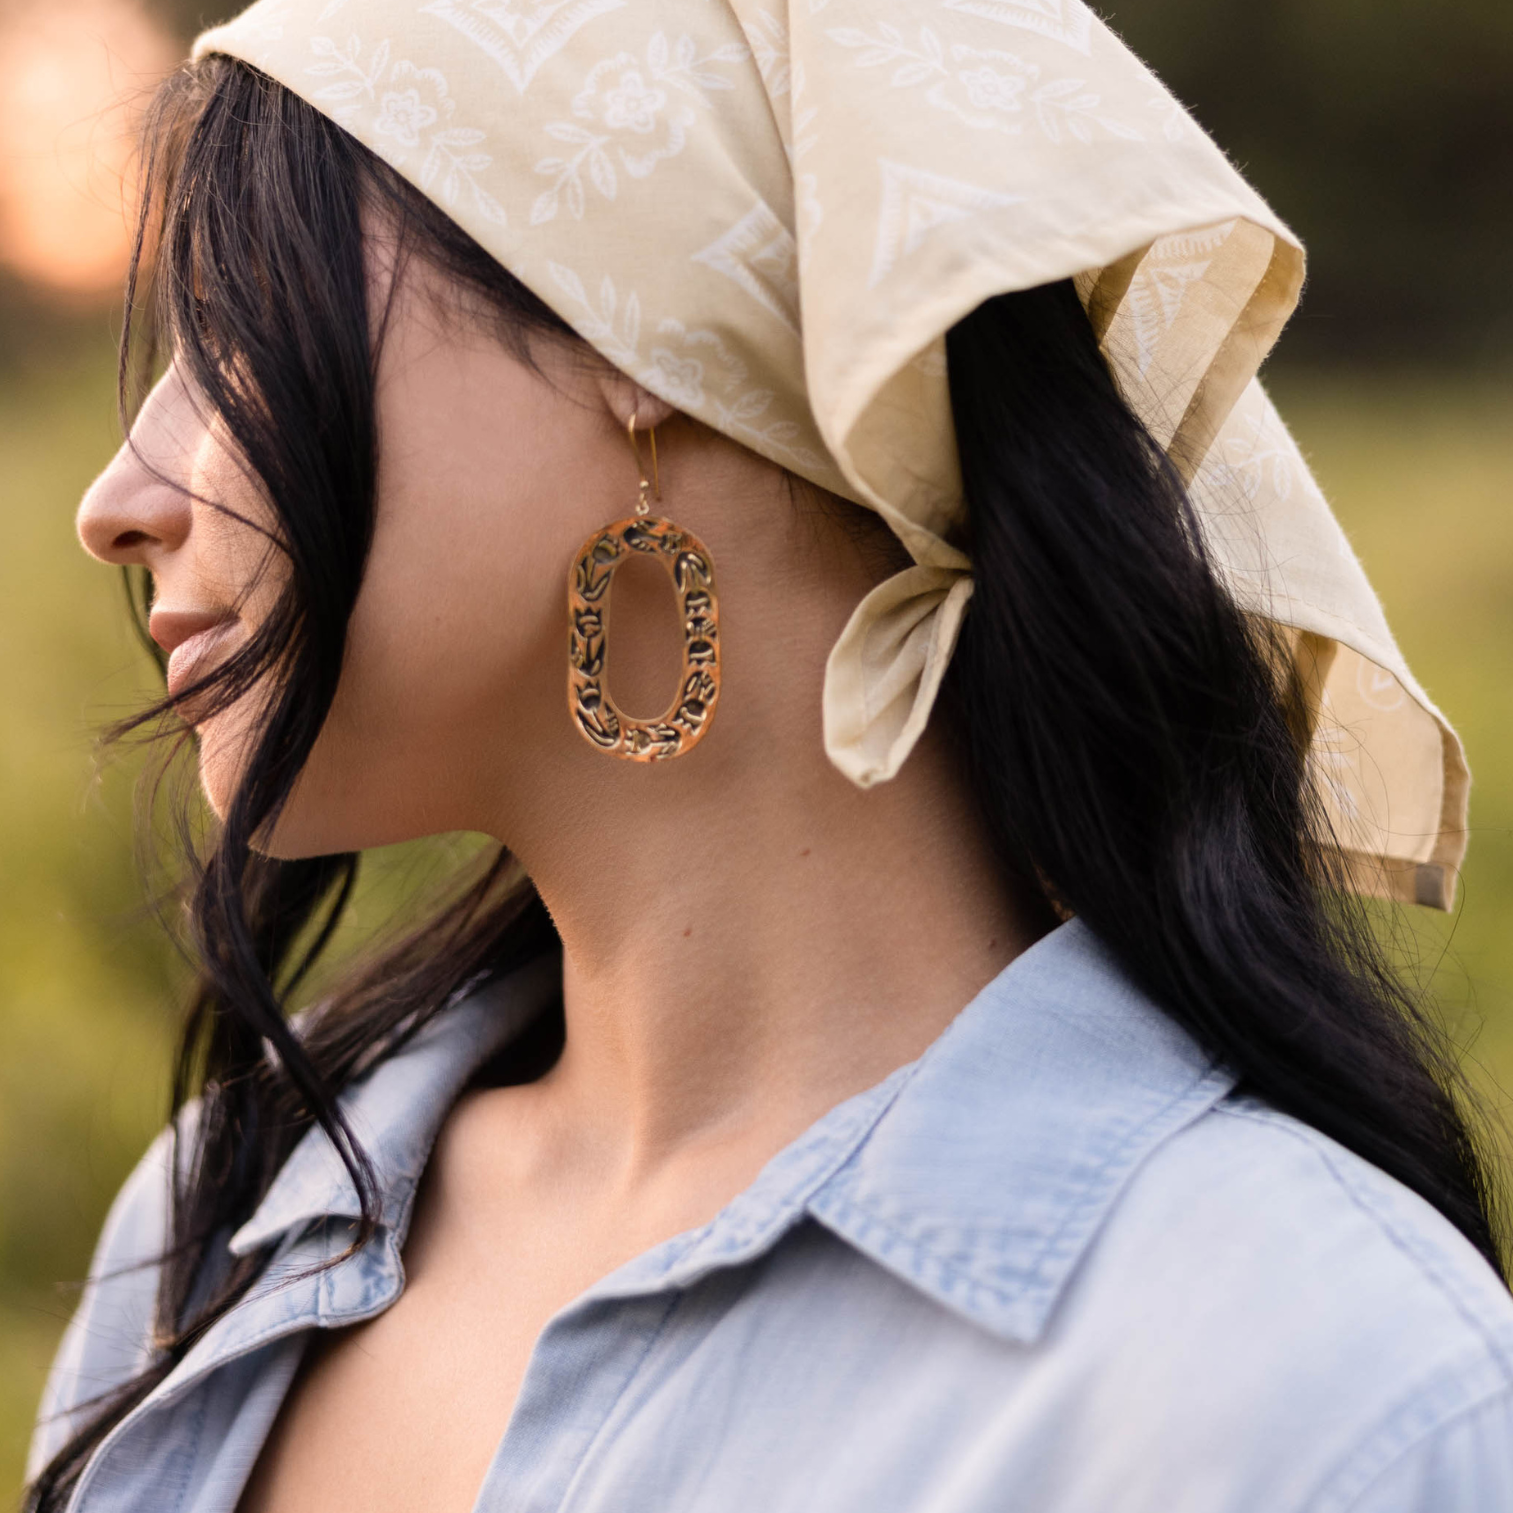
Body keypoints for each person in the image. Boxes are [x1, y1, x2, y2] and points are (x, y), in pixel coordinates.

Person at [25, 3, 1513, 1510]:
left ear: (628, 326)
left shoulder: (1320, 1400)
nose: (118, 498)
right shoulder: (231, 1214)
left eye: (231, 329)